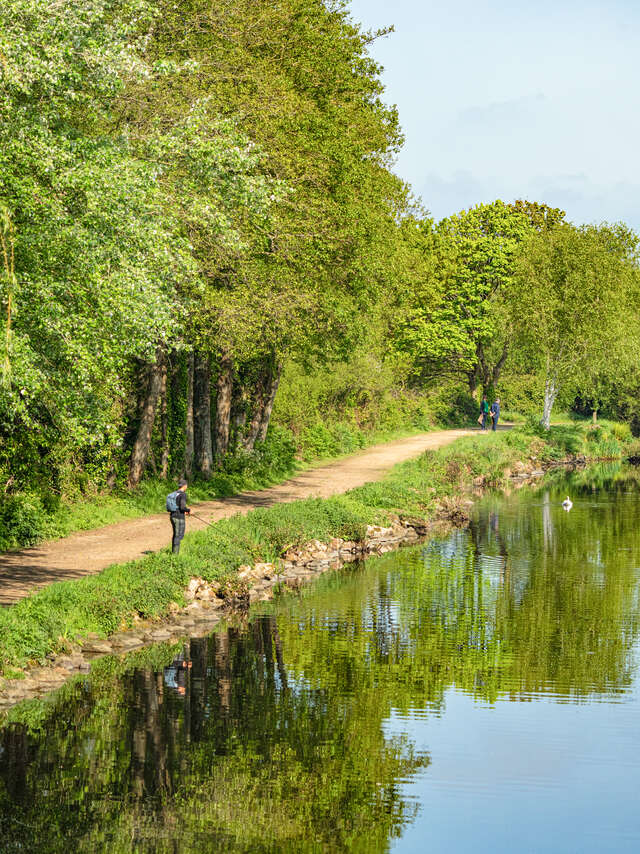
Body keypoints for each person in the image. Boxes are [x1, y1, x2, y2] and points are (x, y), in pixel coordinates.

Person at [168, 479, 191, 554]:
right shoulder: (183, 494)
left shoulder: (175, 493)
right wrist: (188, 510)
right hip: (178, 517)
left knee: (175, 534)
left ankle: (174, 552)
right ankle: (175, 555)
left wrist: (185, 511)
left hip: (172, 516)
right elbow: (182, 507)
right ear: (185, 486)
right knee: (178, 536)